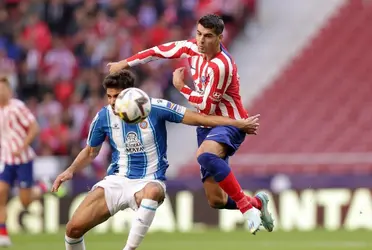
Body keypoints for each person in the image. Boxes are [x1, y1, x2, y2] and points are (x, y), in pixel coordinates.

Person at [52, 69, 260, 250]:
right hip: (117, 179)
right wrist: (70, 170)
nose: (113, 102)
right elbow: (90, 152)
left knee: (152, 192)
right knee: (73, 229)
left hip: (151, 180)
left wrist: (237, 123)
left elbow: (200, 118)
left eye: (117, 96)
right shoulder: (104, 116)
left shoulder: (156, 107)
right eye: (109, 96)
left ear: (130, 94)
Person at [107, 14, 274, 234]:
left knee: (205, 155)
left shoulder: (221, 65)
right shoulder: (192, 47)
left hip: (231, 122)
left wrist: (181, 87)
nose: (201, 40)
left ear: (220, 37)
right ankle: (257, 203)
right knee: (216, 200)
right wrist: (125, 62)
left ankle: (246, 208)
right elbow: (159, 51)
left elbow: (207, 106)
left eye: (208, 36)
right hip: (206, 126)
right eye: (199, 34)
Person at [0, 76, 49, 247]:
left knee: (24, 201)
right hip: (6, 160)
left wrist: (22, 146)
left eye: (3, 88)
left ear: (8, 90)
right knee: (1, 192)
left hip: (23, 159)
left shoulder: (17, 107)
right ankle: (3, 233)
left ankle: (42, 187)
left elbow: (35, 128)